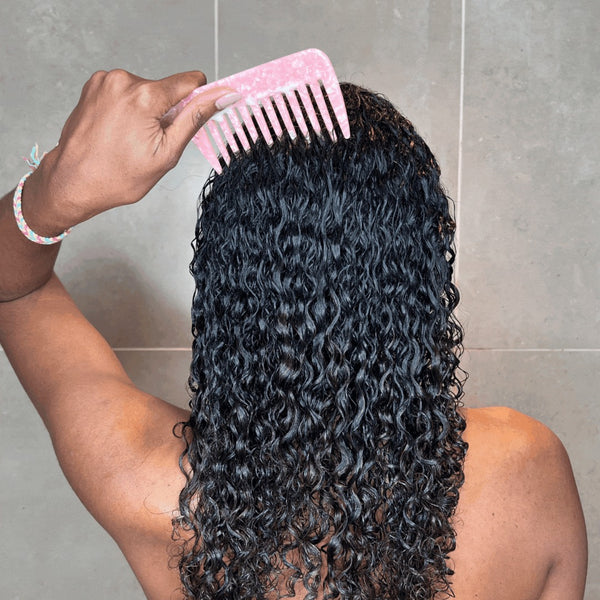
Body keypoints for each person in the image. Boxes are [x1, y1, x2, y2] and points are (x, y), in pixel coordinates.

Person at [0, 69, 587, 600]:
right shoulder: (527, 465)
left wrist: (56, 190)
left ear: (225, 279)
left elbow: (14, 289)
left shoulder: (143, 481)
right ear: (422, 265)